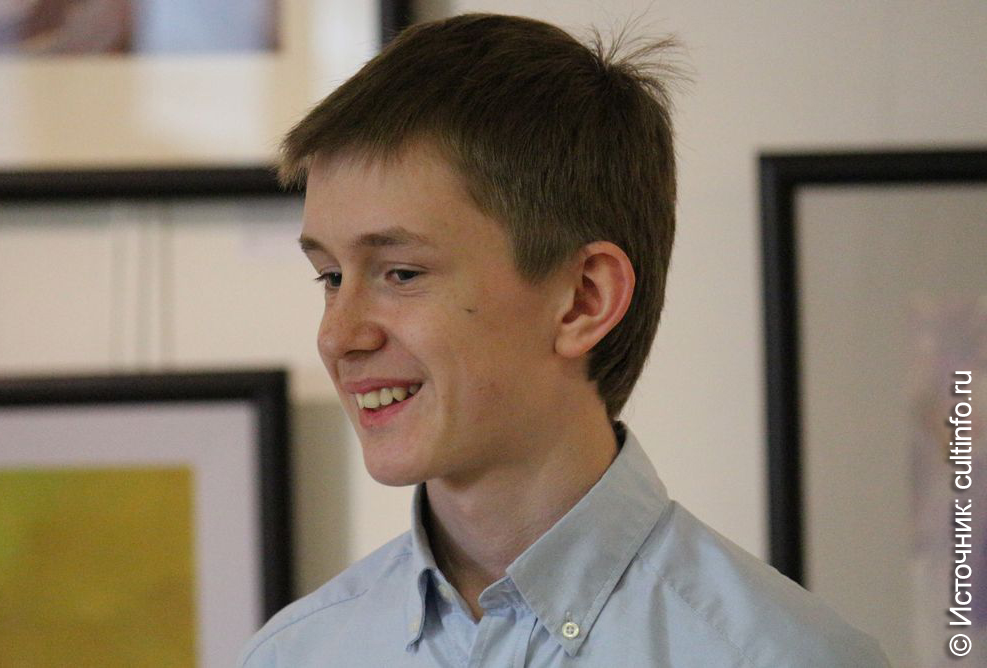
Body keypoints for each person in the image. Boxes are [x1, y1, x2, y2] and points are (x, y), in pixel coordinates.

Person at [239, 13, 889, 667]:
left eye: (401, 273)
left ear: (583, 299)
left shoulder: (783, 657)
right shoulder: (288, 656)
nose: (337, 336)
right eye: (330, 277)